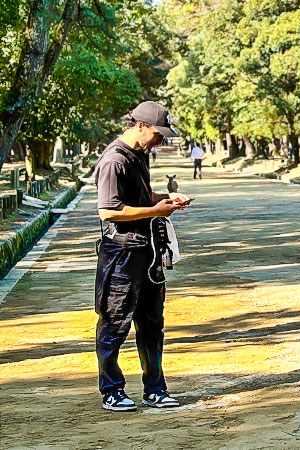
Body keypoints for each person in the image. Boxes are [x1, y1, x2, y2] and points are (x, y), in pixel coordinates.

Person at [94, 100, 192, 412]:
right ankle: (111, 390)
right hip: (122, 255)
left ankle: (155, 388)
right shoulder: (114, 160)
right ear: (140, 126)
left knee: (152, 324)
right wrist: (154, 210)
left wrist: (167, 200)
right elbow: (108, 211)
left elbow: (140, 198)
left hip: (148, 253)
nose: (161, 140)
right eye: (159, 134)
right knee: (115, 323)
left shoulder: (139, 156)